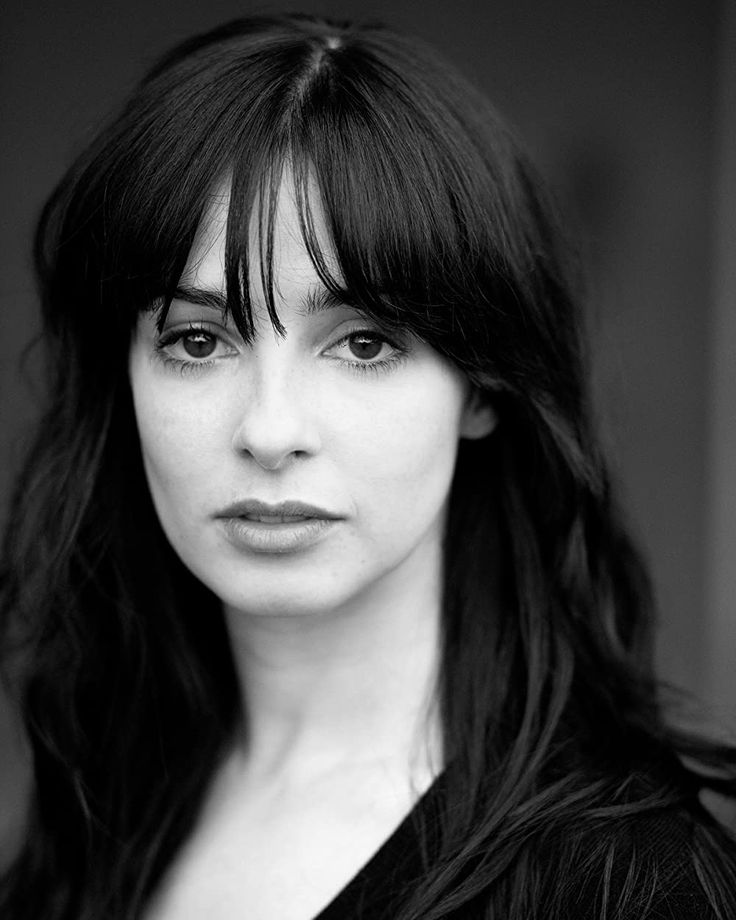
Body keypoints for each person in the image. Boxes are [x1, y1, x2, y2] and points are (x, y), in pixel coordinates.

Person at [1, 12, 735, 920]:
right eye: (197, 340)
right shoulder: (96, 799)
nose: (270, 430)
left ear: (482, 387)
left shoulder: (624, 882)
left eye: (360, 343)